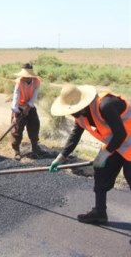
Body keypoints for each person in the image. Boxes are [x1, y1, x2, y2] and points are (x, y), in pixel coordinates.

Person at [49, 84, 131, 224]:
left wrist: (104, 155)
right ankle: (99, 212)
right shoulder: (80, 115)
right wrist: (61, 157)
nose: (70, 112)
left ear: (82, 104)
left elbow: (121, 134)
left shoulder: (106, 105)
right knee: (100, 171)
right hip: (115, 144)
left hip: (126, 140)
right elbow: (75, 135)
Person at [10, 63, 47, 161]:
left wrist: (28, 108)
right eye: (24, 76)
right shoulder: (19, 82)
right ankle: (16, 151)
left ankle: (35, 147)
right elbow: (16, 98)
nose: (25, 78)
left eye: (27, 76)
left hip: (30, 107)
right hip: (19, 107)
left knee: (34, 125)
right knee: (16, 130)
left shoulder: (36, 82)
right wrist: (15, 115)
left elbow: (34, 96)